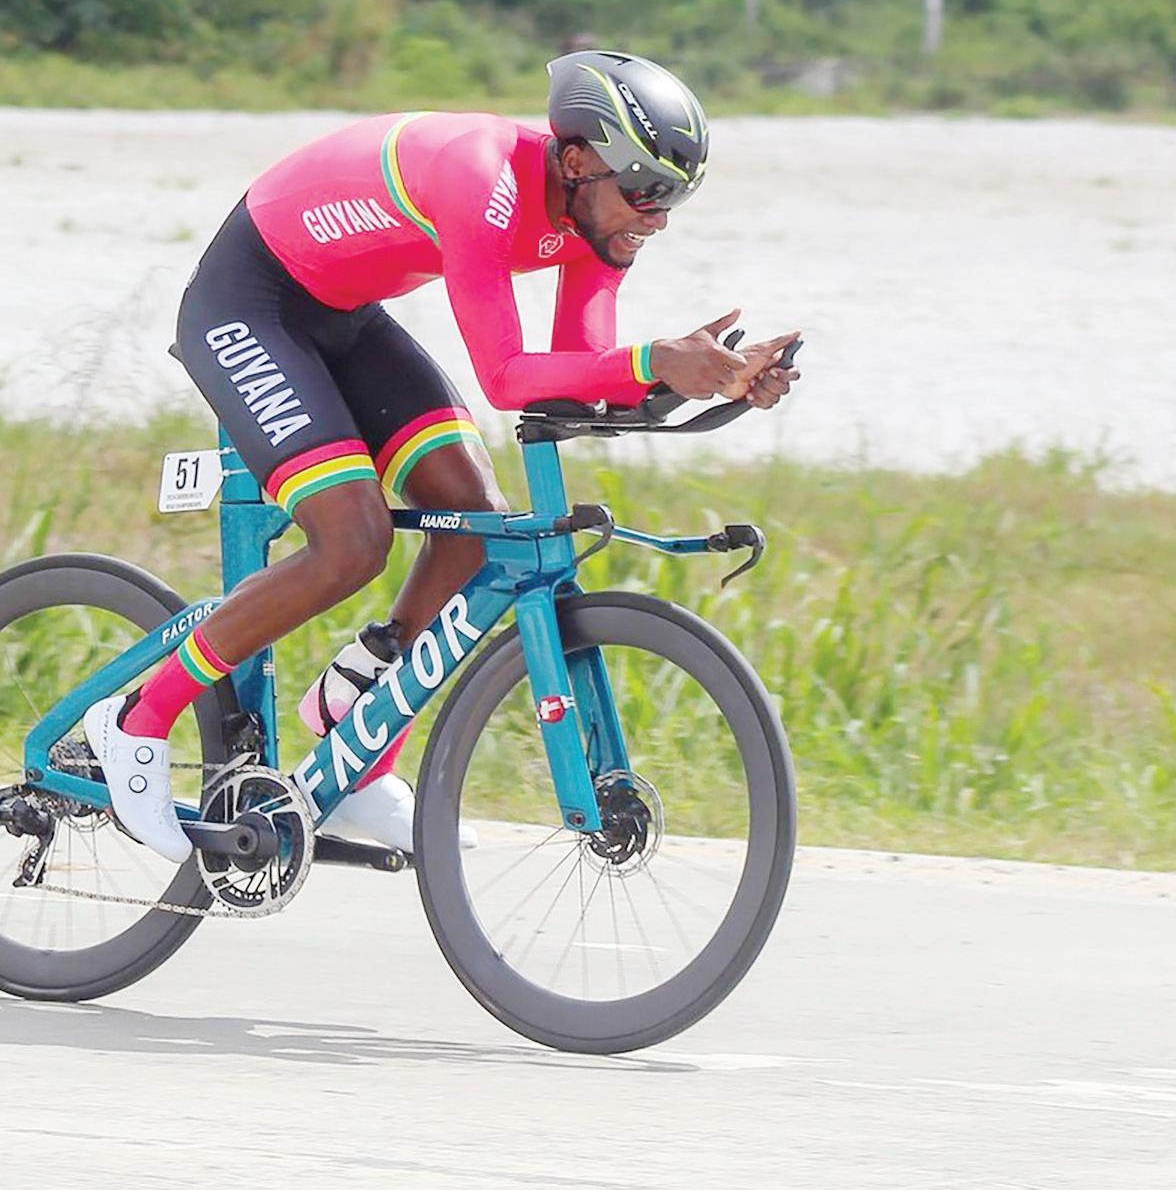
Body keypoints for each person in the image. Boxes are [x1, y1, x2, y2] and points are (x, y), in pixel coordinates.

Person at [84, 51, 800, 862]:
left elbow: (581, 372)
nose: (658, 218)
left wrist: (712, 380)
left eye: (673, 197)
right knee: (352, 542)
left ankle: (359, 746)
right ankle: (135, 719)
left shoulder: (601, 222)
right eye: (646, 191)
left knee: (473, 528)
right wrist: (654, 361)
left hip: (346, 314)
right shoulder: (478, 176)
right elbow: (507, 378)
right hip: (250, 304)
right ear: (576, 162)